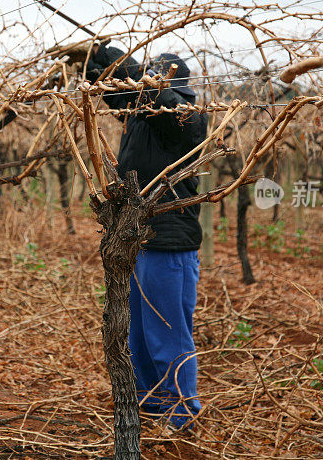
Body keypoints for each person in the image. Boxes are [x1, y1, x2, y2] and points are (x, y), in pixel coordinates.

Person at [85, 43, 206, 430]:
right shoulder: (141, 115)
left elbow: (159, 98)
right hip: (136, 238)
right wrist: (100, 67)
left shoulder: (185, 117)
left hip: (169, 244)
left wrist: (129, 65)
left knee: (167, 333)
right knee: (137, 331)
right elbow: (120, 96)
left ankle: (182, 413)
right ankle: (149, 403)